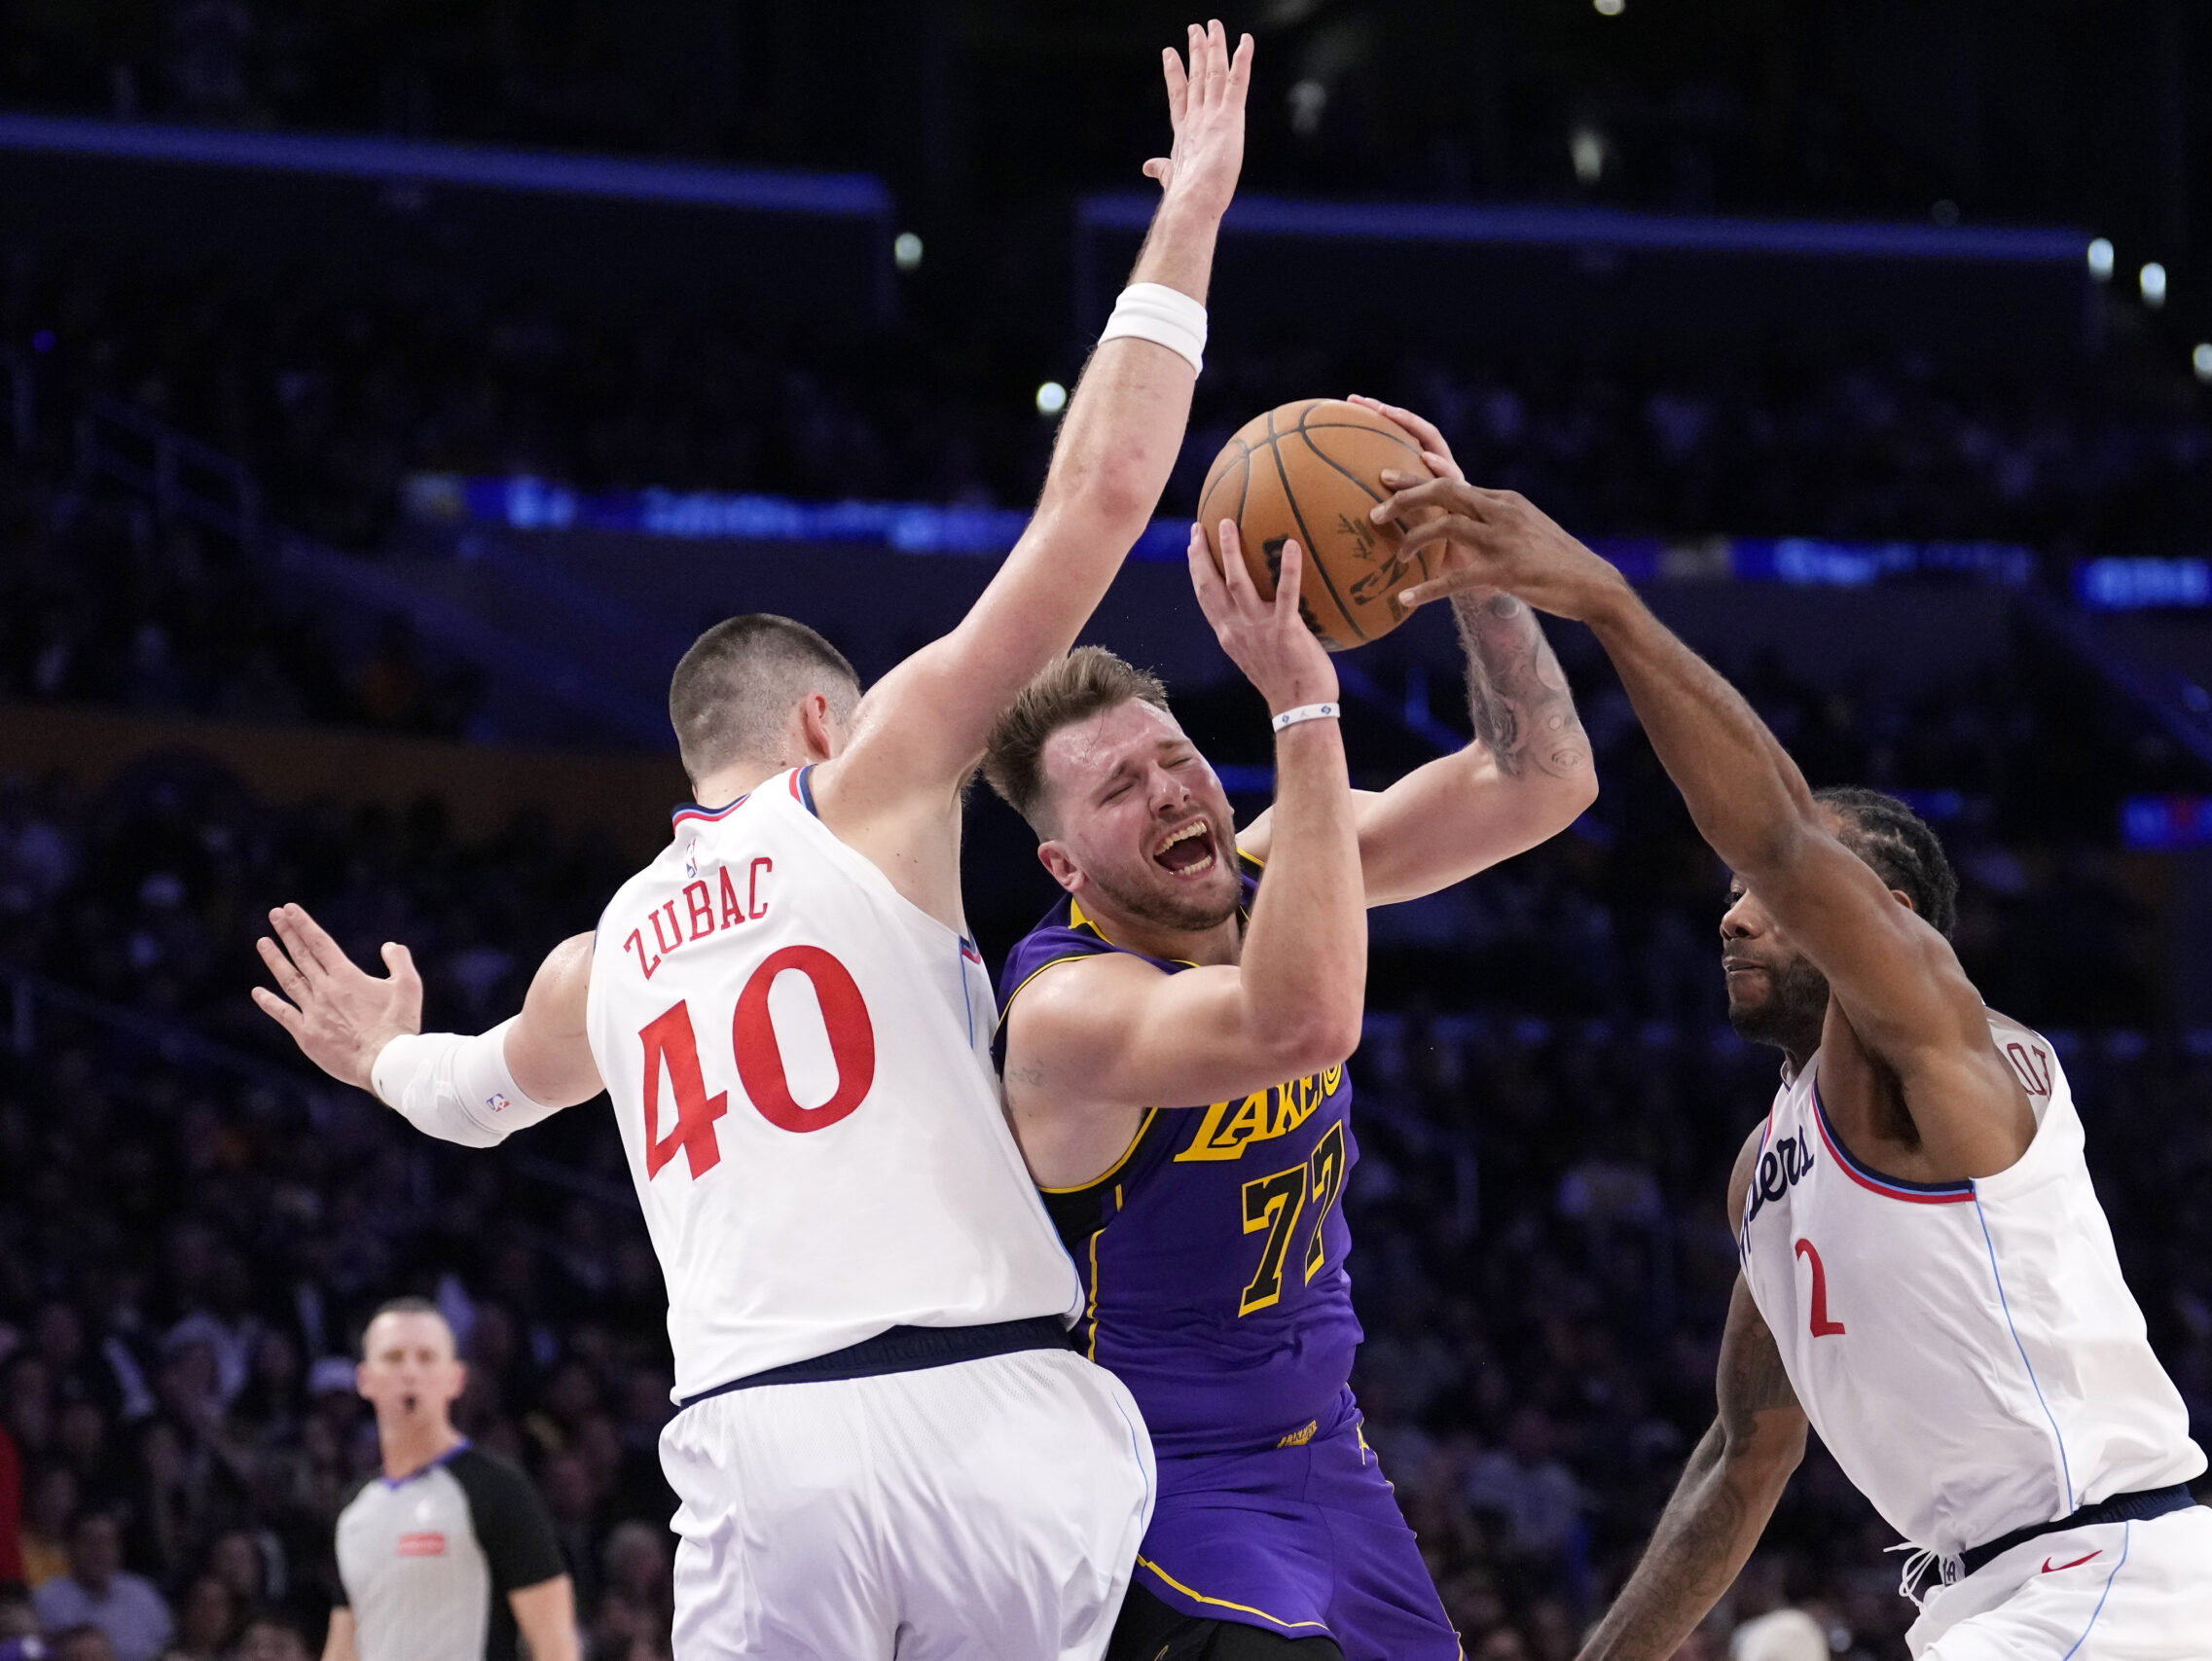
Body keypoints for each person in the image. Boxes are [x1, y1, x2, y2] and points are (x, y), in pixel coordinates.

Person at [251, 24, 1252, 1660]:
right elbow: (1095, 505)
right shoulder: (866, 789)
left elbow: (472, 1098)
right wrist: (1192, 212)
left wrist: (378, 1053)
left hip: (774, 1446)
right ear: (817, 728)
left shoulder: (603, 957)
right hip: (1006, 1415)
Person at [1363, 475, 2212, 1659]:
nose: (1733, 917)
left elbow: (1775, 834)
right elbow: (1741, 1459)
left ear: (1877, 915)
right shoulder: (1765, 1169)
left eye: (1769, 906)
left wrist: (1607, 605)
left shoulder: (1942, 1044)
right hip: (1986, 1597)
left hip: (2104, 1571)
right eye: (1733, 900)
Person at [983, 402, 1595, 1661]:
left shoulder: (1274, 865)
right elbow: (1306, 1020)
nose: (1171, 788)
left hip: (1328, 1453)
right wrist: (1305, 710)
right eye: (1119, 788)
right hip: (1157, 1480)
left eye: (1175, 755)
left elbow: (1544, 782)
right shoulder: (1070, 1009)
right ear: (1063, 861)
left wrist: (1480, 570)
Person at [323, 1300, 575, 1661]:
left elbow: (554, 1644)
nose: (410, 1372)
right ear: (365, 1379)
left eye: (426, 1358)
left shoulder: (498, 1489)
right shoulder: (356, 1505)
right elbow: (343, 1648)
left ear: (455, 1378)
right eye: (393, 1358)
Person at [31, 1514, 172, 1661]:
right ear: (70, 1546)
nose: (99, 1551)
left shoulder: (143, 1594)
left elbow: (167, 1647)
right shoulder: (45, 1600)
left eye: (107, 1543)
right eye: (90, 1542)